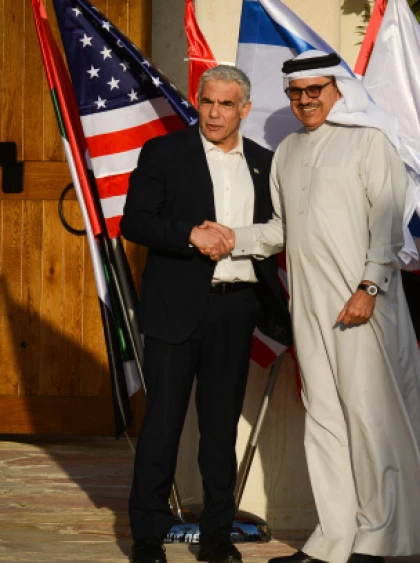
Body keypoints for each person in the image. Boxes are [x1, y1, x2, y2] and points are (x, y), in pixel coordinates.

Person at [205, 51, 420, 563]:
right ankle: (334, 541)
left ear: (337, 89)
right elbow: (280, 231)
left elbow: (387, 230)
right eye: (296, 93)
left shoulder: (369, 142)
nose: (305, 100)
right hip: (310, 310)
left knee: (370, 422)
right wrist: (230, 238)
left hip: (366, 306)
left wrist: (370, 289)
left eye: (315, 89)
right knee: (324, 422)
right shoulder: (288, 152)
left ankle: (377, 538)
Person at [120, 65, 291, 563]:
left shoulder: (265, 162)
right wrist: (190, 234)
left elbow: (280, 230)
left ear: (244, 109)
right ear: (198, 101)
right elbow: (136, 221)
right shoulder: (164, 152)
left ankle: (217, 535)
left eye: (225, 104)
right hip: (174, 309)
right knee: (163, 426)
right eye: (207, 102)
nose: (214, 113)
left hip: (235, 311)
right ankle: (148, 536)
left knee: (219, 431)